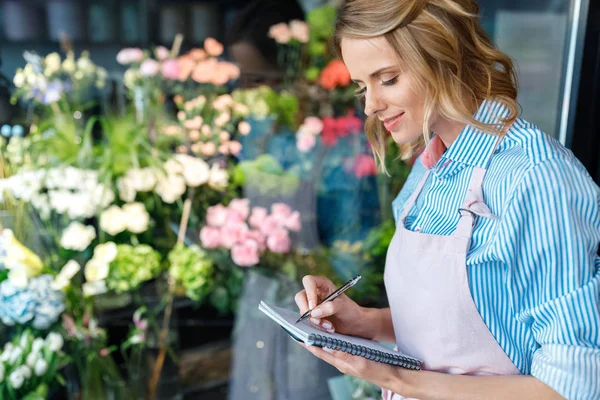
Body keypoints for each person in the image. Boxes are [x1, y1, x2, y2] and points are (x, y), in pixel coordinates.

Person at [294, 0, 600, 399]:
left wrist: (394, 378)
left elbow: (572, 385)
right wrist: (366, 323)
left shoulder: (536, 178)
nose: (370, 105)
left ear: (443, 58)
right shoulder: (429, 166)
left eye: (387, 79)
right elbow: (481, 323)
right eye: (361, 85)